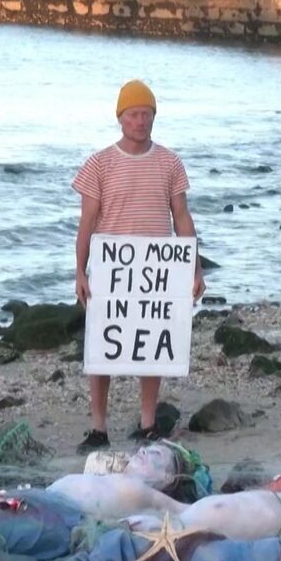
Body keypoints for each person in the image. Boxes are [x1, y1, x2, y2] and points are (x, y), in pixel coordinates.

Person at [71, 80, 205, 455]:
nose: (141, 121)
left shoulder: (170, 162)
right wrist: (80, 271)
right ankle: (99, 427)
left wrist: (195, 267)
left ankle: (148, 423)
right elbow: (86, 222)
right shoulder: (98, 163)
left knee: (153, 344)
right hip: (111, 271)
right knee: (101, 346)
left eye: (146, 114)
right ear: (121, 118)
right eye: (133, 114)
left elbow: (182, 217)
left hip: (158, 270)